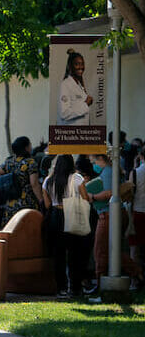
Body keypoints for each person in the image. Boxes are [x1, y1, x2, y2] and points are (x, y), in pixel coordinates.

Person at [84, 154, 142, 287]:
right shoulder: (111, 170)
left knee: (100, 251)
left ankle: (101, 283)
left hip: (108, 214)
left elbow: (110, 193)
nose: (92, 163)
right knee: (113, 250)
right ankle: (137, 272)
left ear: (100, 159)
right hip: (112, 213)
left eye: (93, 159)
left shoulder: (108, 172)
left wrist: (92, 196)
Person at [42, 154, 93, 298]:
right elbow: (85, 198)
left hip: (54, 217)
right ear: (72, 164)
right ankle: (75, 288)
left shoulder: (48, 180)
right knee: (74, 253)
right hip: (72, 215)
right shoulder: (77, 178)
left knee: (58, 254)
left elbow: (46, 204)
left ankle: (61, 288)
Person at [0, 136, 44, 228]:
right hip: (27, 202)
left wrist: (9, 181)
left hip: (12, 202)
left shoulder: (10, 161)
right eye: (30, 144)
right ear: (26, 148)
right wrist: (41, 200)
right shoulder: (30, 162)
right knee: (26, 229)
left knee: (11, 230)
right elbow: (34, 183)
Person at [57, 49, 93, 126]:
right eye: (77, 64)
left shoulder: (79, 85)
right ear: (70, 66)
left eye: (82, 64)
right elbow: (64, 113)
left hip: (82, 134)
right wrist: (86, 104)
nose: (81, 67)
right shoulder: (66, 85)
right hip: (71, 134)